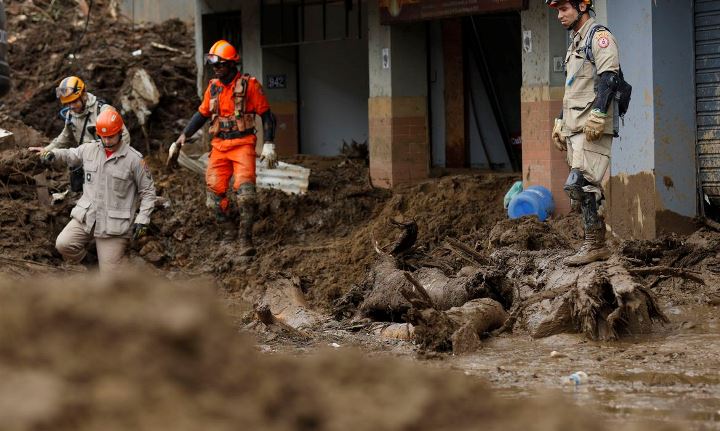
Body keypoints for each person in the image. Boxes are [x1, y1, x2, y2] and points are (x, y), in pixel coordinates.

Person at [170, 39, 277, 257]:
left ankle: (245, 239)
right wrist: (182, 137)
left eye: (220, 65)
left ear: (231, 64)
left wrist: (269, 143)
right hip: (219, 146)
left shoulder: (249, 86)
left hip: (243, 145)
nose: (216, 69)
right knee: (213, 201)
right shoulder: (214, 88)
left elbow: (267, 115)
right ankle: (229, 233)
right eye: (214, 65)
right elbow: (201, 114)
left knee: (247, 196)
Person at [31, 110, 156, 273]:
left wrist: (143, 219)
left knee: (110, 276)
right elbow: (70, 154)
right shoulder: (89, 149)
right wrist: (51, 154)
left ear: (119, 132)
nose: (106, 140)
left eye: (110, 136)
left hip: (114, 225)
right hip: (87, 216)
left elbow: (148, 192)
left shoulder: (134, 160)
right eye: (102, 136)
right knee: (63, 244)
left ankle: (118, 266)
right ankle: (91, 264)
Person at [548, 0, 620, 266]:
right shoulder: (576, 42)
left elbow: (610, 78)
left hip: (593, 127)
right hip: (575, 126)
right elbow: (572, 88)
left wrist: (600, 114)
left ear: (582, 6)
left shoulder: (600, 37)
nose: (559, 16)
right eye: (557, 10)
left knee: (580, 183)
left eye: (564, 9)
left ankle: (595, 245)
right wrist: (559, 121)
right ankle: (594, 244)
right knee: (582, 189)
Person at [29, 76, 130, 192]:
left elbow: (124, 137)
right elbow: (64, 138)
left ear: (84, 95)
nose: (71, 106)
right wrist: (46, 149)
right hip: (86, 163)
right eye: (68, 103)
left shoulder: (103, 111)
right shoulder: (71, 114)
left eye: (74, 101)